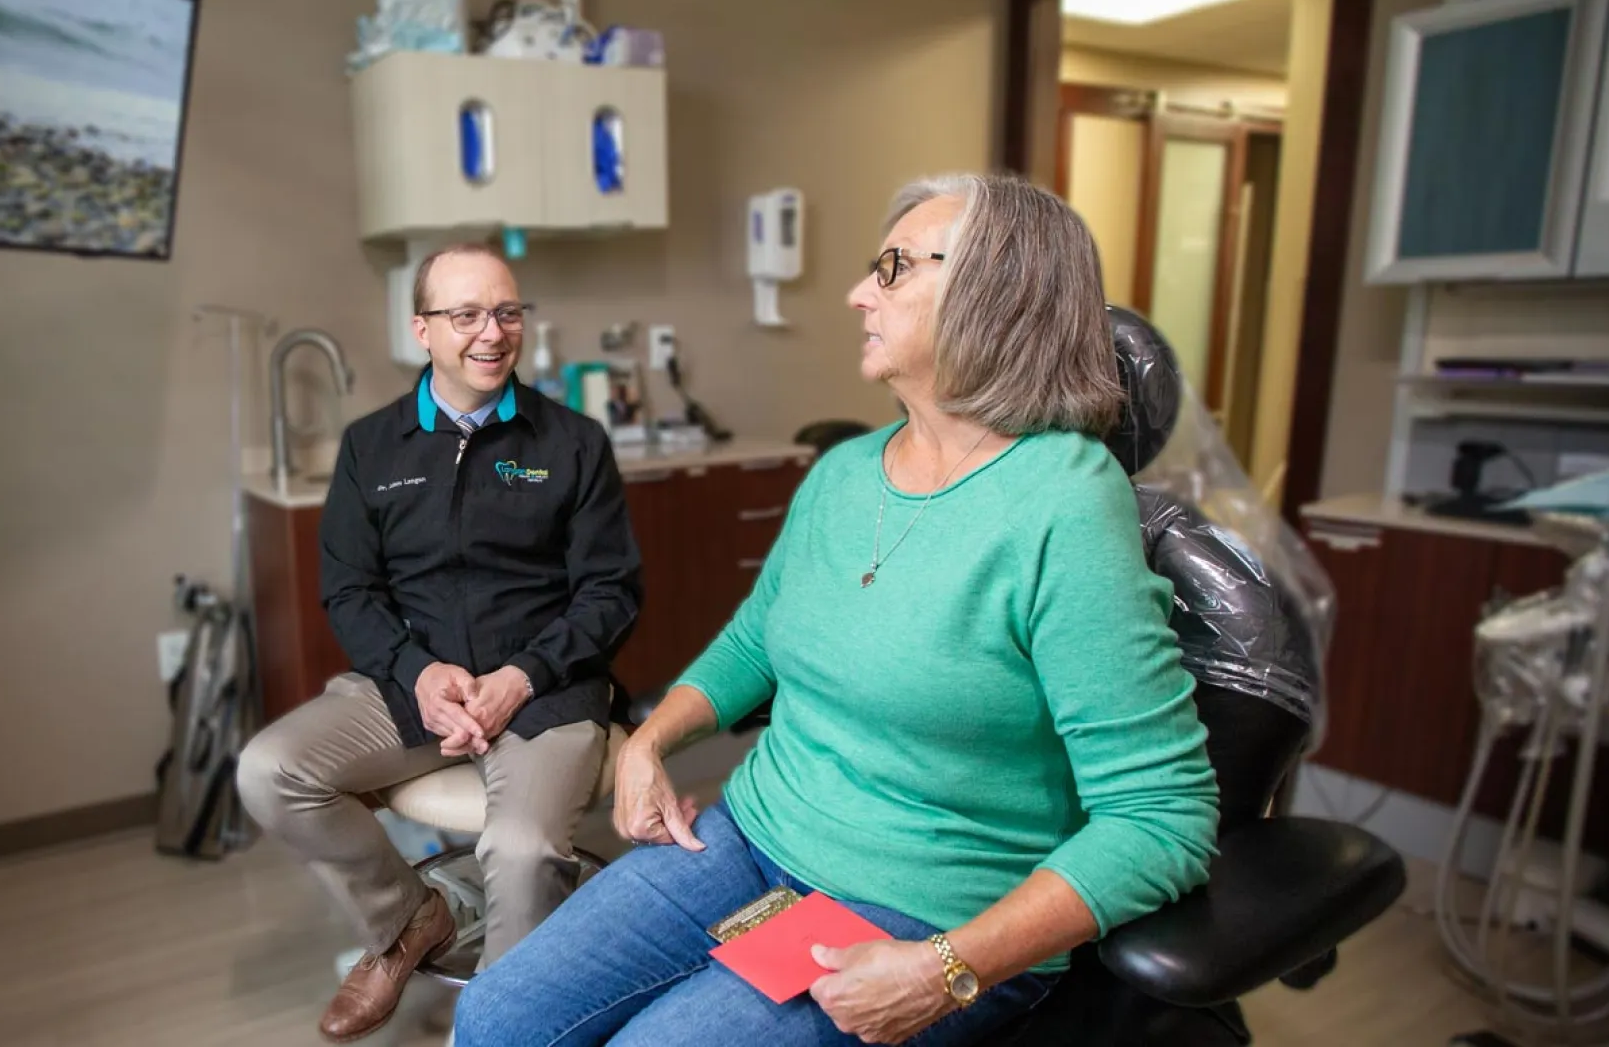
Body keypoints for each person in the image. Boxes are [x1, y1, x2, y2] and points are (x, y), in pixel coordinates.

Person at [452, 174, 1220, 1047]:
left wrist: (948, 967)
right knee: (495, 1013)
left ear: (996, 290)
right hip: (751, 840)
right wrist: (652, 742)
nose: (859, 293)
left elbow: (1162, 818)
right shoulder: (846, 474)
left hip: (922, 911)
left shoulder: (1065, 505)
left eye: (891, 268)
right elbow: (755, 645)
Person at [236, 244, 642, 1044]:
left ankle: (507, 1025)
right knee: (269, 772)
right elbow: (350, 591)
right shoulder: (372, 448)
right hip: (409, 688)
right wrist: (418, 675)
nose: (491, 334)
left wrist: (521, 678)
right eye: (466, 316)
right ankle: (406, 924)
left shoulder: (572, 443)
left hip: (545, 692)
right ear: (422, 329)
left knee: (524, 853)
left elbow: (612, 592)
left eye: (507, 312)